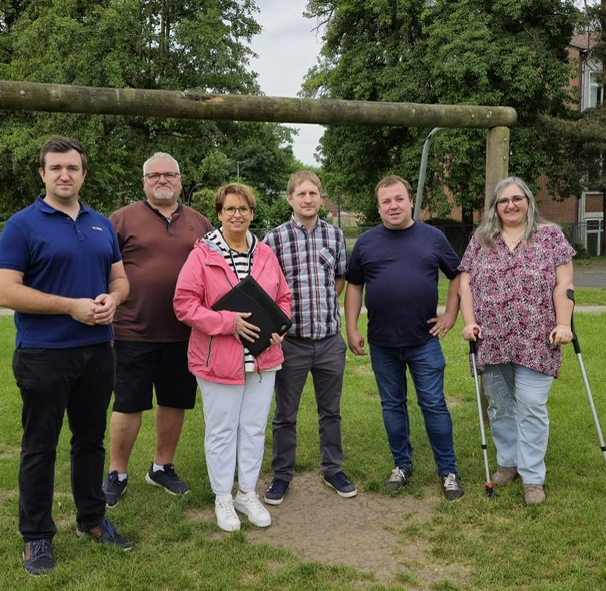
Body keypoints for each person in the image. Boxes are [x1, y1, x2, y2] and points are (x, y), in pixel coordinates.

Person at [0, 135, 134, 577]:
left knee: (90, 442)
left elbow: (120, 279)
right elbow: (4, 291)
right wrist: (70, 306)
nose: (64, 175)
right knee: (40, 446)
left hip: (98, 352)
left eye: (72, 168)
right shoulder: (22, 225)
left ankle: (92, 519)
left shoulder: (101, 225)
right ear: (43, 174)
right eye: (55, 168)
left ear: (83, 173)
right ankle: (36, 536)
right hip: (44, 354)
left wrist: (114, 300)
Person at [173, 182, 292, 532]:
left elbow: (283, 298)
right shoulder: (202, 255)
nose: (237, 215)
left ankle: (246, 493)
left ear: (252, 213)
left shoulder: (266, 254)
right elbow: (184, 304)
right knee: (223, 431)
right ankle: (223, 497)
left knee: (254, 429)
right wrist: (228, 322)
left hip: (263, 360)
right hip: (218, 360)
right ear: (219, 214)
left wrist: (279, 328)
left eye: (243, 209)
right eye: (230, 209)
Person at [344, 174, 464, 502]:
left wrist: (451, 314)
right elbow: (355, 285)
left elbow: (458, 275)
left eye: (399, 199)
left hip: (423, 340)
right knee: (392, 406)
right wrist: (352, 327)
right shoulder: (366, 242)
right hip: (382, 342)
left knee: (434, 404)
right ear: (378, 206)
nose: (393, 206)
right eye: (386, 201)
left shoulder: (433, 237)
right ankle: (402, 464)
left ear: (411, 201)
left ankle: (448, 470)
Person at [103, 153, 213, 507]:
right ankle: (117, 472)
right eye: (154, 175)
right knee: (128, 402)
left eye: (170, 175)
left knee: (174, 401)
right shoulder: (121, 219)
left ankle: (162, 467)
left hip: (184, 331)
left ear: (181, 180)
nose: (162, 180)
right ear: (144, 181)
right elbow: (101, 266)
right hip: (132, 329)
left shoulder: (200, 223)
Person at [458, 176, 575, 506]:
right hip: (492, 338)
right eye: (503, 200)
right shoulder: (482, 239)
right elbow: (465, 284)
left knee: (533, 406)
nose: (511, 205)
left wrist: (564, 323)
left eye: (517, 198)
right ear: (495, 205)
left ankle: (533, 476)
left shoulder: (550, 235)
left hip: (537, 339)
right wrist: (469, 322)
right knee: (500, 405)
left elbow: (564, 283)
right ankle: (508, 462)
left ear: (528, 201)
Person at [261, 171, 354, 505]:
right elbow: (265, 290)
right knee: (285, 414)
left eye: (313, 193)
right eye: (301, 194)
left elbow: (340, 279)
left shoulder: (334, 235)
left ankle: (333, 470)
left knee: (331, 411)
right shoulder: (274, 239)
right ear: (290, 198)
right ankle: (282, 475)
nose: (308, 199)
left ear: (320, 197)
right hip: (292, 342)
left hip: (329, 340)